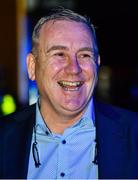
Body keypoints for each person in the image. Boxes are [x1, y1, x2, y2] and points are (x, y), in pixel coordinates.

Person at [0, 7, 138, 179]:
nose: (74, 69)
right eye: (59, 54)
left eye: (84, 55)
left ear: (97, 63)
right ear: (32, 66)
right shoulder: (4, 136)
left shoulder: (134, 134)